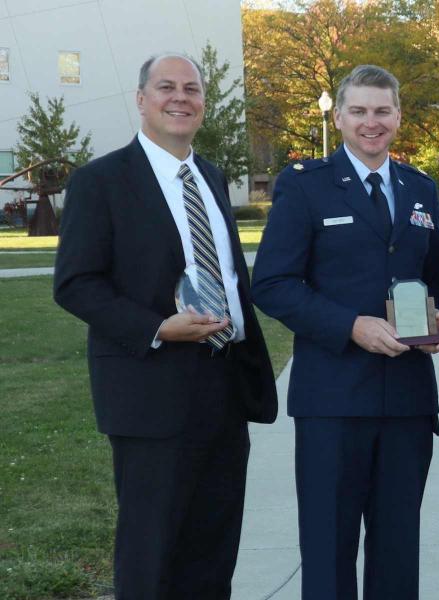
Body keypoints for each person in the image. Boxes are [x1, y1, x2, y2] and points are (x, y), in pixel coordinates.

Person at [52, 52, 278, 599]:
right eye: (166, 87)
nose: (181, 97)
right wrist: (159, 327)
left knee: (213, 547)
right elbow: (76, 284)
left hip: (223, 386)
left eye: (192, 89)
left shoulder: (212, 177)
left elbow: (224, 271)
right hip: (151, 389)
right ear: (141, 100)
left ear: (204, 103)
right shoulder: (100, 181)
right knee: (151, 551)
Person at [251, 64, 439, 599]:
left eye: (382, 111)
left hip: (406, 401)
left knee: (398, 551)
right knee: (328, 551)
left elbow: (437, 277)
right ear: (338, 117)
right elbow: (271, 283)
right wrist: (350, 326)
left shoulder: (420, 189)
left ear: (398, 117)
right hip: (333, 402)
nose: (371, 122)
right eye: (358, 111)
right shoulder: (305, 187)